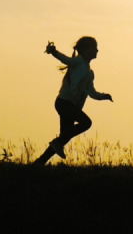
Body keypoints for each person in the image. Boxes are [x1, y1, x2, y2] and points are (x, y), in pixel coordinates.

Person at [34, 36, 113, 165]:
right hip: (64, 103)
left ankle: (39, 162)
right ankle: (53, 146)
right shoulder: (78, 61)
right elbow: (65, 60)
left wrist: (104, 96)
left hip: (69, 105)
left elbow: (91, 92)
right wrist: (53, 51)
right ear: (85, 50)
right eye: (94, 47)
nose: (97, 50)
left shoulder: (89, 73)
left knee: (63, 138)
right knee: (86, 123)